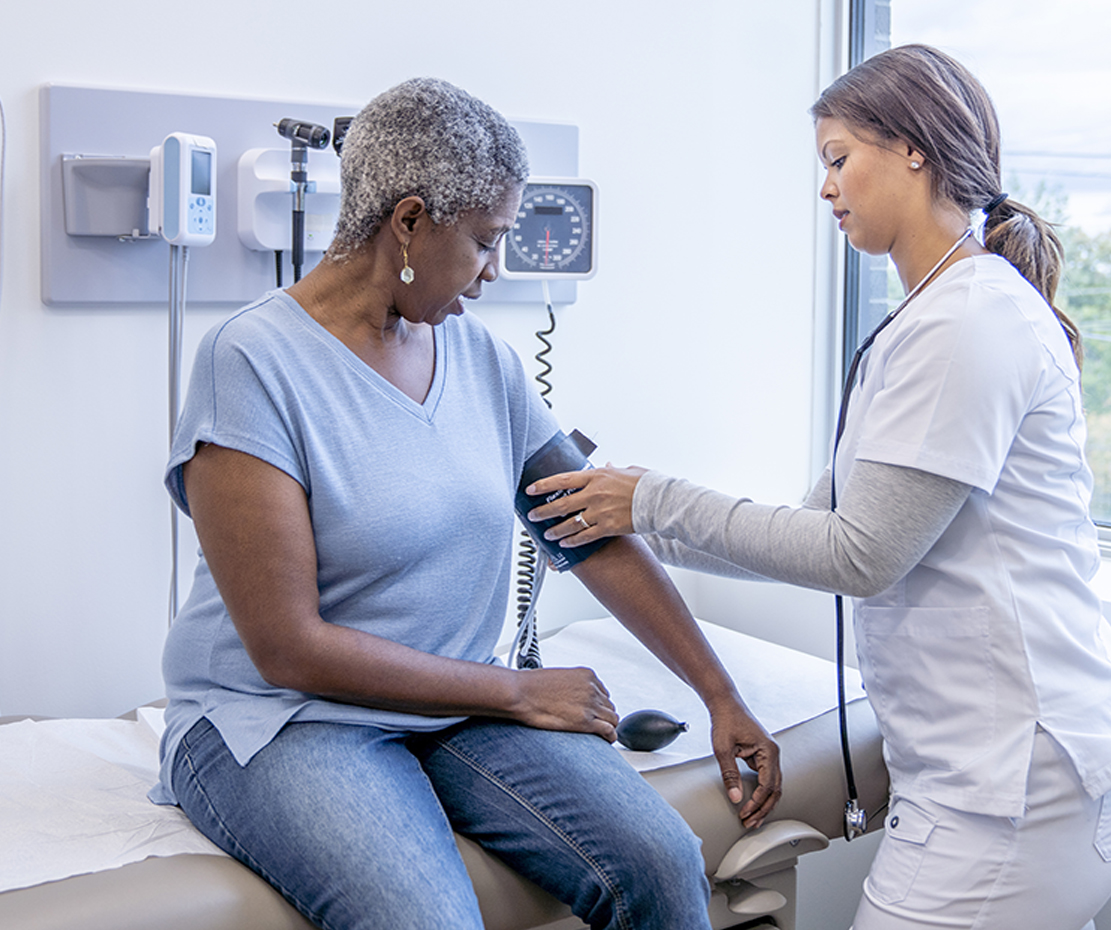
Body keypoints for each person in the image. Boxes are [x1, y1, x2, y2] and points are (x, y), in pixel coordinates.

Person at [526, 45, 1111, 930]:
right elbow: (815, 530)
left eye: (838, 158)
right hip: (1016, 781)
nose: (826, 188)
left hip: (1018, 795)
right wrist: (613, 520)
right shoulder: (932, 319)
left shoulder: (968, 323)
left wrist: (651, 499)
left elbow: (861, 557)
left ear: (915, 149)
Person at [148, 77, 780, 930]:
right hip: (281, 719)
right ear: (409, 222)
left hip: (453, 708)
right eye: (485, 242)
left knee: (664, 865)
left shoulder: (483, 361)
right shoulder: (251, 363)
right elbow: (286, 648)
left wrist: (718, 695)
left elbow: (588, 532)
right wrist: (515, 691)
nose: (492, 275)